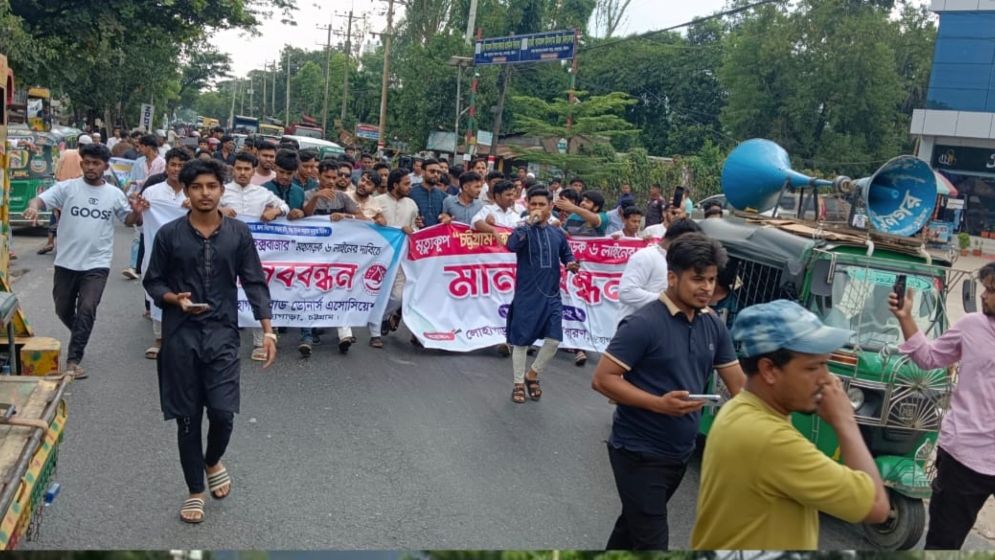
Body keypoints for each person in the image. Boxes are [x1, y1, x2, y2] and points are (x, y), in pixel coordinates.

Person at [691, 300, 889, 549]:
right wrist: (845, 421)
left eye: (826, 364)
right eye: (813, 367)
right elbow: (877, 507)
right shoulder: (769, 438)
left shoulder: (741, 410)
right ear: (769, 370)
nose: (826, 379)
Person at [591, 233, 746, 550]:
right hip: (637, 452)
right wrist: (658, 405)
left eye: (712, 280)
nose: (706, 288)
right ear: (672, 277)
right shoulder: (642, 324)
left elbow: (739, 385)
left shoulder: (713, 325)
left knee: (630, 531)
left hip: (679, 452)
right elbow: (603, 379)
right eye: (697, 279)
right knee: (652, 540)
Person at [143, 158, 277, 525]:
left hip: (221, 335)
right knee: (187, 419)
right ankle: (194, 491)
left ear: (222, 189)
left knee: (221, 413)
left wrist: (267, 330)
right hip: (180, 336)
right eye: (197, 187)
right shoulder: (169, 235)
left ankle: (213, 459)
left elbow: (254, 282)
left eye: (212, 186)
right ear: (186, 192)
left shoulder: (238, 234)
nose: (205, 193)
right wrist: (174, 299)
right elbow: (152, 281)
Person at [888, 262, 995, 549]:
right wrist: (905, 317)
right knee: (943, 543)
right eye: (984, 289)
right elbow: (929, 358)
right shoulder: (972, 326)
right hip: (964, 457)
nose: (984, 296)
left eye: (992, 290)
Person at [23, 143, 143, 379]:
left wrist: (137, 212)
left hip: (97, 264)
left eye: (96, 163)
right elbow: (40, 201)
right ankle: (81, 332)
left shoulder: (114, 195)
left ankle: (73, 360)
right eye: (87, 162)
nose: (90, 167)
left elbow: (128, 220)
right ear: (81, 164)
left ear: (105, 167)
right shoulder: (67, 188)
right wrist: (33, 207)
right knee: (62, 309)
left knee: (87, 308)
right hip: (66, 262)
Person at [506, 188, 580, 404]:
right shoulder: (522, 230)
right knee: (521, 341)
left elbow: (566, 254)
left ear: (550, 207)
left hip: (552, 295)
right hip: (527, 295)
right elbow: (511, 246)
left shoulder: (557, 233)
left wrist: (571, 264)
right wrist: (528, 223)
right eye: (533, 204)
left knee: (554, 340)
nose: (537, 208)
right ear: (527, 205)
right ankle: (518, 383)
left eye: (541, 205)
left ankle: (533, 374)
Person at [136, 147, 193, 359]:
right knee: (158, 291)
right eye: (173, 164)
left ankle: (185, 339)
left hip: (188, 252)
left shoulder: (195, 191)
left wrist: (193, 205)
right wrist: (139, 210)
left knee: (187, 292)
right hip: (156, 249)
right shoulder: (152, 192)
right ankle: (159, 339)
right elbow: (140, 224)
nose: (176, 169)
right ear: (166, 166)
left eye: (181, 165)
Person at [617, 219, 701, 322]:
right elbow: (626, 292)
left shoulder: (678, 262)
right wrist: (669, 301)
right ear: (679, 239)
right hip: (635, 327)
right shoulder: (645, 256)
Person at [371, 168, 419, 348]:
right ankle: (375, 334)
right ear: (395, 184)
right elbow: (366, 224)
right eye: (406, 184)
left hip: (401, 257)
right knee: (377, 293)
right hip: (378, 257)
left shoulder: (412, 205)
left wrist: (410, 230)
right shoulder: (377, 202)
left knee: (398, 296)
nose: (409, 187)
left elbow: (414, 229)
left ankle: (382, 317)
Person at [409, 158, 446, 228]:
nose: (436, 174)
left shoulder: (443, 196)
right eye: (432, 171)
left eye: (438, 172)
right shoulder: (411, 193)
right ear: (423, 172)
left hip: (436, 236)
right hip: (415, 235)